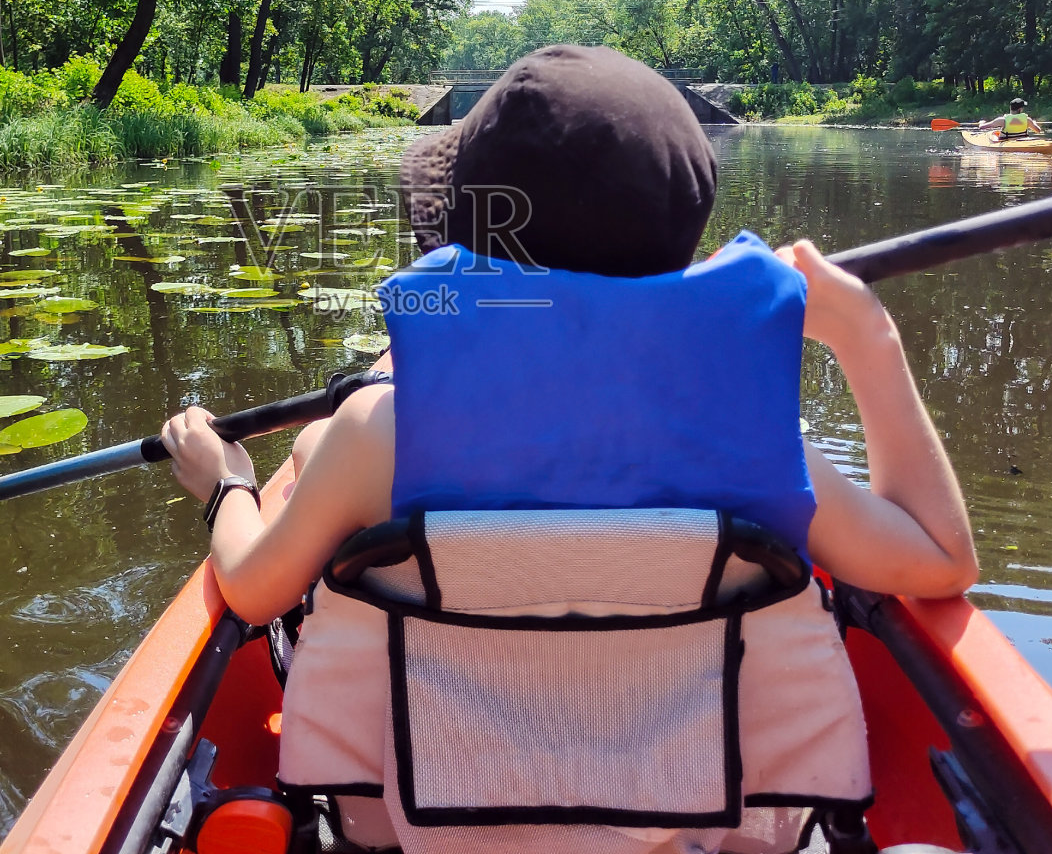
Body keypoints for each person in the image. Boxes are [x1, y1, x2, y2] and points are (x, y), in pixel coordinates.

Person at [160, 45, 978, 852]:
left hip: (416, 829)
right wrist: (867, 335)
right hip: (691, 833)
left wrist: (227, 483)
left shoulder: (377, 433)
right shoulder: (758, 443)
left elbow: (255, 591)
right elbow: (942, 559)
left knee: (310, 454)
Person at [977, 97, 1043, 140]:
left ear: (1010, 107)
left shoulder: (1002, 120)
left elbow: (982, 127)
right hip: (1022, 142)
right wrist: (1034, 123)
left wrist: (981, 123)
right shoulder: (1028, 120)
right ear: (1020, 109)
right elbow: (1038, 130)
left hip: (1006, 142)